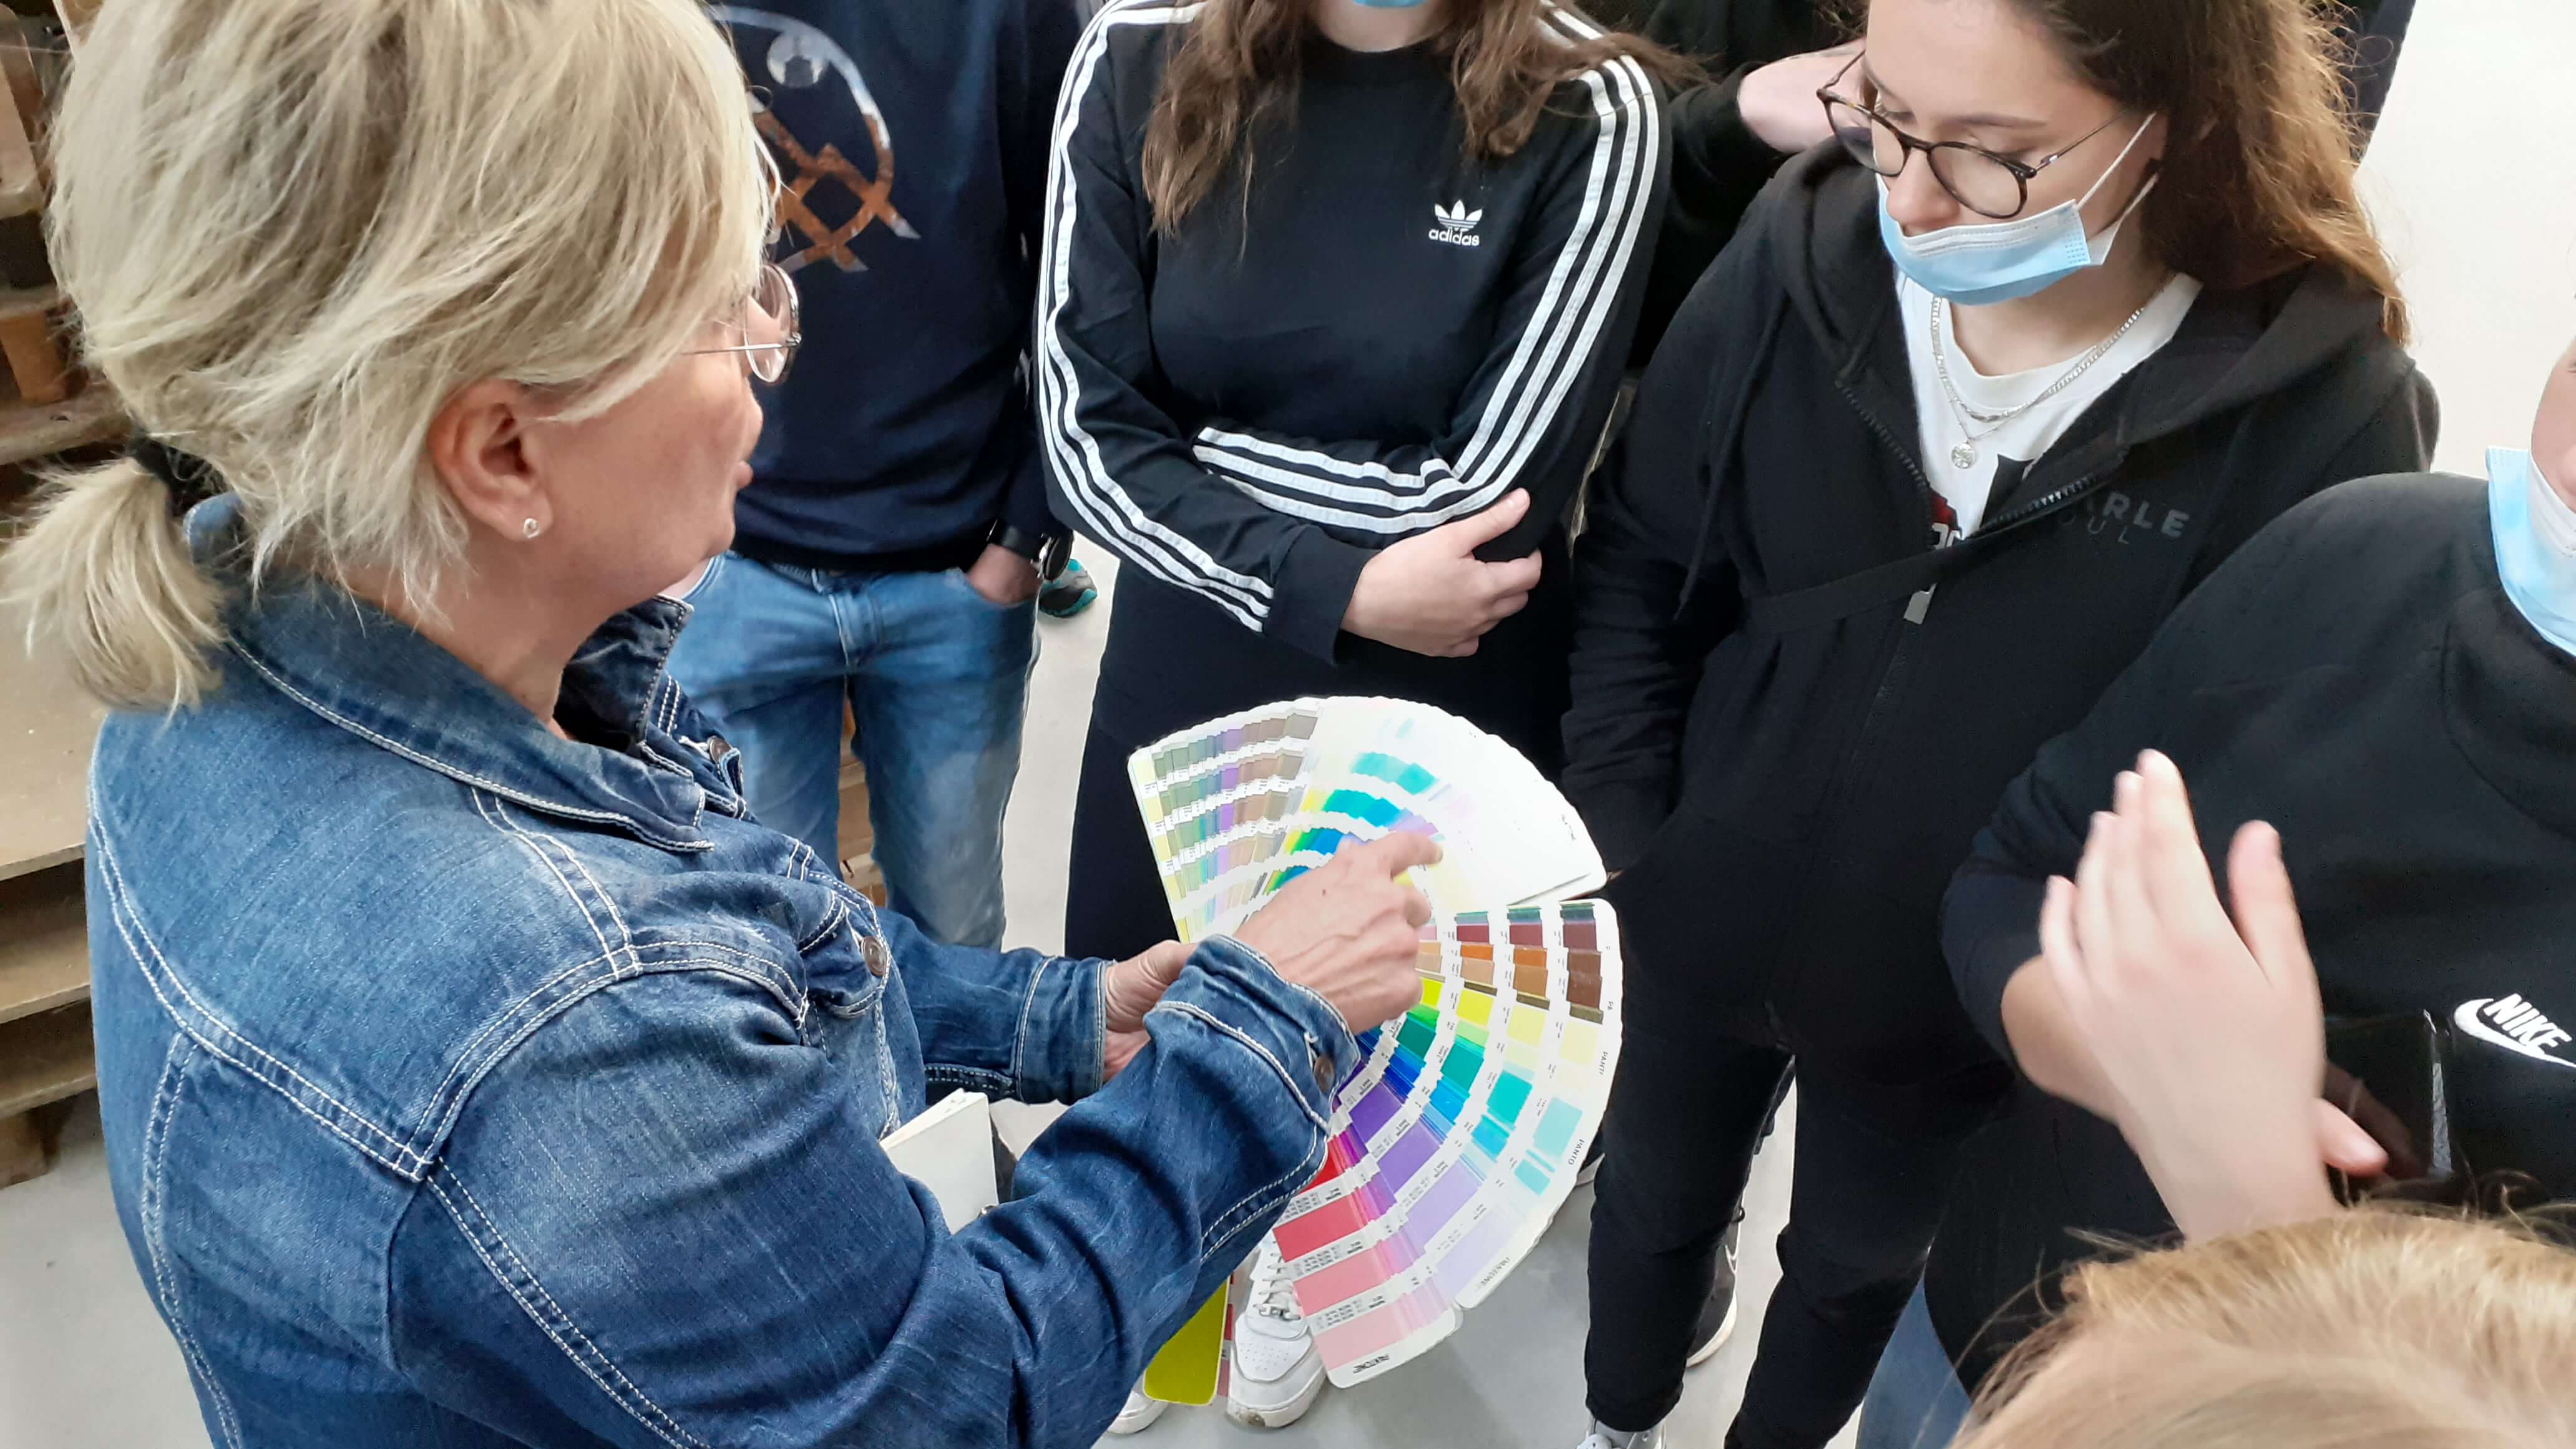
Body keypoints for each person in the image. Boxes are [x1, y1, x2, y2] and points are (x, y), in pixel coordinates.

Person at [1, 2, 1438, 1444]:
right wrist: (1264, 1027)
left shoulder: (242, 624)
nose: (771, 343)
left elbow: (757, 955)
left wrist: (1053, 1018)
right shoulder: (568, 1024)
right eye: (721, 305)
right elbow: (958, 1401)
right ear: (502, 450)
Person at [1556, 0, 2436, 1442]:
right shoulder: (1799, 242)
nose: (1908, 197)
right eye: (1885, 113)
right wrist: (1632, 835)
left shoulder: (2318, 412)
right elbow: (1643, 553)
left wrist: (2035, 1003)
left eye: (1992, 154)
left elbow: (2254, 807)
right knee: (1650, 1206)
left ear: (2177, 120)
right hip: (1691, 915)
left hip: (1962, 1026)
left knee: (1850, 1275)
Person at [1038, 0, 1674, 1426]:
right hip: (1202, 658)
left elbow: (1494, 492)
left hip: (1446, 674)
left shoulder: (1590, 104)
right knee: (1148, 999)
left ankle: (1296, 1268)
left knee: (1381, 1042)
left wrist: (1199, 465)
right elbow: (1082, 434)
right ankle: (1146, 1286)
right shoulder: (1138, 53)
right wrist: (1344, 580)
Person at [1915, 336, 2576, 1437]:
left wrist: (2260, 1208)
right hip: (1990, 1336)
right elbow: (2007, 882)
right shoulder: (2358, 553)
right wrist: (2151, 1085)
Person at [658, 0, 1083, 947]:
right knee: (762, 947)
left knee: (955, 938)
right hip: (721, 572)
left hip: (958, 564)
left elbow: (1078, 267)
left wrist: (1028, 531)